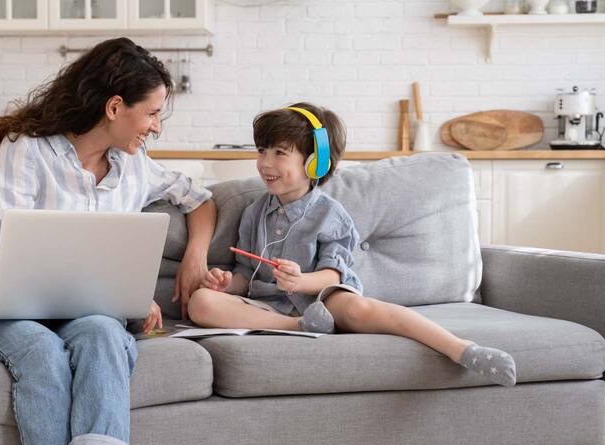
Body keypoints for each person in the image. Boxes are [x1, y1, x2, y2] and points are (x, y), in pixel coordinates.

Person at [0, 38, 217, 445]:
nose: (155, 128)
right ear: (113, 107)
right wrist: (113, 288)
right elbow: (4, 250)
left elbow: (200, 200)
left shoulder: (135, 166)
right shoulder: (28, 151)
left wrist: (194, 257)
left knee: (104, 333)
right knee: (41, 348)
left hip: (79, 315)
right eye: (151, 115)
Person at [187, 103, 516, 388]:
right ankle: (299, 328)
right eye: (262, 151)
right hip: (270, 307)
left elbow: (333, 274)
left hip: (323, 297)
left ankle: (461, 348)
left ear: (316, 162)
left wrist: (301, 281)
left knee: (360, 309)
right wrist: (228, 284)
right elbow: (248, 272)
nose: (265, 163)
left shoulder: (330, 214)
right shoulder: (254, 212)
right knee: (201, 302)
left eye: (279, 153)